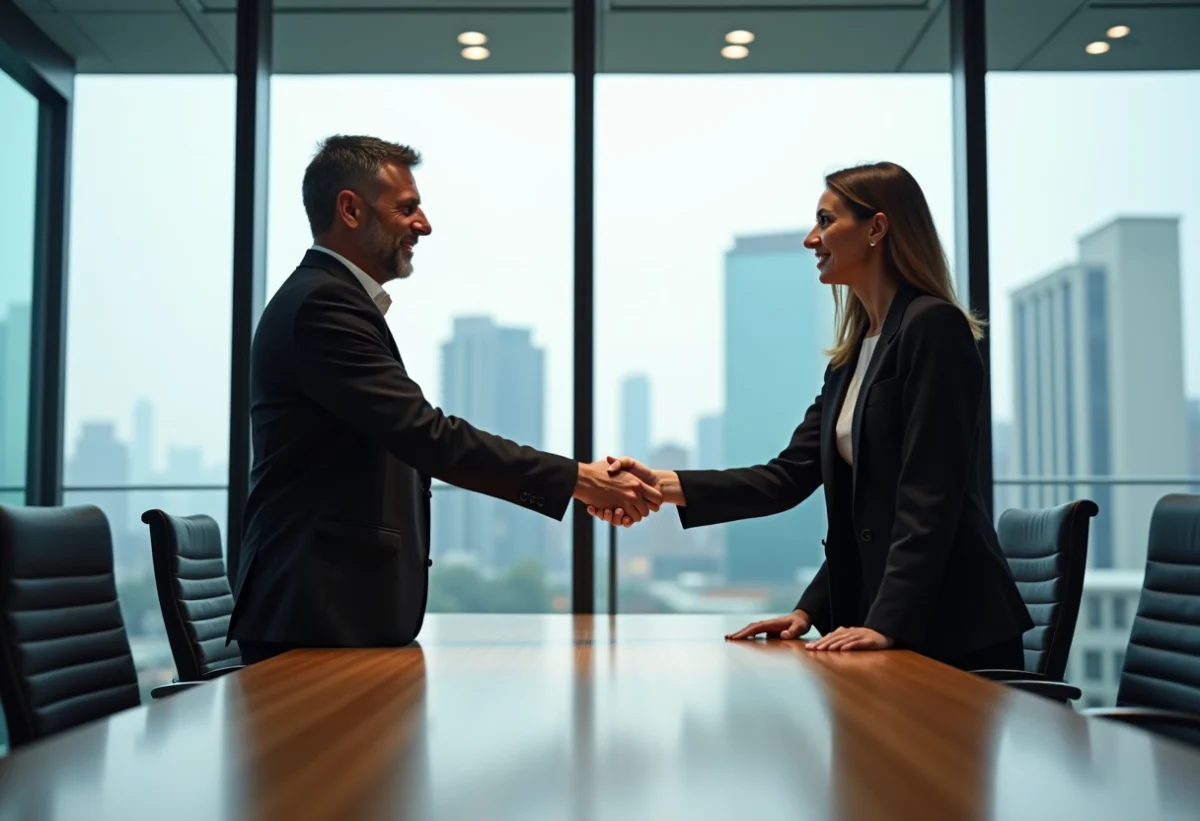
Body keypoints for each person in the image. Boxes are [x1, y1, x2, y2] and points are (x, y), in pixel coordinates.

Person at [227, 135, 661, 663]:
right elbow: (427, 435)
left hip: (333, 618)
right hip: (313, 619)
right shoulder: (323, 306)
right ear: (350, 208)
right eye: (406, 208)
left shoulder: (330, 300)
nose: (424, 225)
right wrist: (579, 479)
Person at [589, 161, 1033, 671]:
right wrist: (808, 608)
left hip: (952, 630)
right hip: (890, 627)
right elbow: (786, 479)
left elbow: (928, 498)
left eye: (825, 221)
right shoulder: (850, 358)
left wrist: (885, 624)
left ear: (877, 228)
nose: (810, 239)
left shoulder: (934, 327)